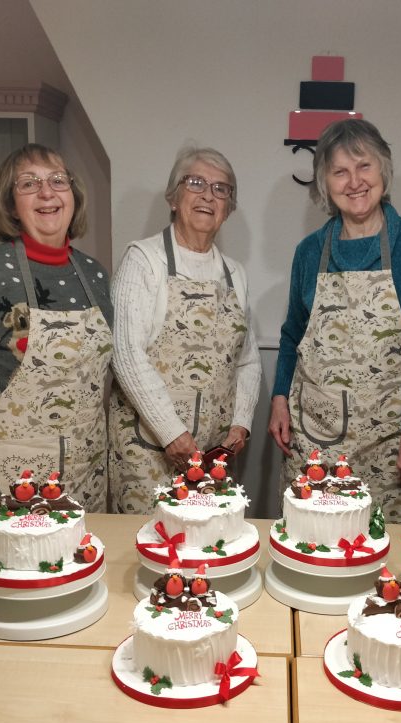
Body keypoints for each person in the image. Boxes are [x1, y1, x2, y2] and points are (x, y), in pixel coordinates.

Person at [268, 119, 401, 525]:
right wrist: (279, 396)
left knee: (392, 553)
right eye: (340, 171)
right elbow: (292, 334)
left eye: (364, 166)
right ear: (325, 183)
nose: (354, 182)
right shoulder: (309, 252)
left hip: (395, 449)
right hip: (314, 444)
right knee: (314, 545)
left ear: (383, 170)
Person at [0, 144, 113, 511]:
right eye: (29, 184)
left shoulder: (94, 275)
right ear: (11, 204)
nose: (47, 193)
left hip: (85, 473)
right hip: (12, 481)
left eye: (57, 181)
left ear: (73, 195)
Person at [109, 146, 260, 513]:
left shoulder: (235, 274)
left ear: (228, 208)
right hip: (150, 453)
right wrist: (172, 435)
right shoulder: (143, 260)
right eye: (195, 183)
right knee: (152, 542)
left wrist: (241, 423)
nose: (208, 195)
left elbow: (248, 360)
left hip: (213, 456)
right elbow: (126, 355)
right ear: (173, 198)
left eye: (221, 189)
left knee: (208, 542)